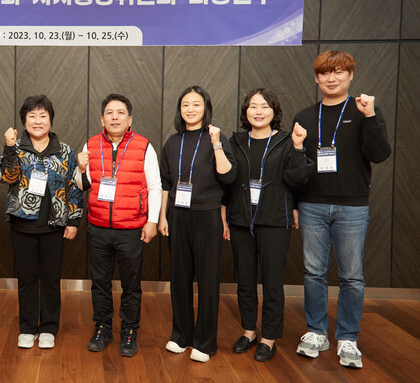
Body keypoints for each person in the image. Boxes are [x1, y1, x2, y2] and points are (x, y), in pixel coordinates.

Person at [293, 51, 391, 369]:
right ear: (316, 78)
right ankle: (316, 332)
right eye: (325, 73)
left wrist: (371, 115)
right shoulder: (305, 117)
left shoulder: (364, 111)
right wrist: (294, 205)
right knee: (313, 273)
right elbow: (296, 167)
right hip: (312, 205)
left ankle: (348, 338)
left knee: (352, 276)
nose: (331, 78)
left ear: (350, 75)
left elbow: (379, 154)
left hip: (352, 206)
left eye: (338, 72)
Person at [220, 88, 314, 362]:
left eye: (264, 106)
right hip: (241, 220)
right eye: (253, 106)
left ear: (274, 111)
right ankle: (249, 331)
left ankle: (269, 338)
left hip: (274, 220)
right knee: (245, 280)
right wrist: (224, 215)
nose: (258, 111)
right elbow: (227, 180)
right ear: (245, 111)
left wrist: (299, 147)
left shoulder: (286, 140)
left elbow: (297, 179)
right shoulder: (236, 141)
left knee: (272, 281)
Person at [74, 94, 161, 358]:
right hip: (98, 227)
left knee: (131, 285)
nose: (115, 117)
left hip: (131, 229)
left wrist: (152, 221)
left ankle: (129, 330)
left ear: (129, 119)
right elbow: (83, 186)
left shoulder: (144, 146)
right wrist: (80, 170)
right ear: (102, 119)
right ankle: (102, 328)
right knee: (99, 283)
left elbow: (155, 187)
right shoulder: (90, 145)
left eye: (120, 112)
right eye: (109, 113)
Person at [0, 95, 83, 350]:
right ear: (24, 121)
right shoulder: (16, 147)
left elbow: (74, 186)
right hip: (22, 225)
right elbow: (6, 176)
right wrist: (9, 148)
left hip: (54, 226)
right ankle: (27, 328)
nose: (37, 121)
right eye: (32, 116)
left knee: (50, 280)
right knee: (26, 279)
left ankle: (48, 327)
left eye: (42, 116)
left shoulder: (64, 150)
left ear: (50, 120)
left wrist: (73, 220)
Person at [158, 85, 236, 362]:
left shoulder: (216, 137)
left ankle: (205, 342)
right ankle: (181, 336)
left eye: (196, 104)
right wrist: (162, 216)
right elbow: (165, 182)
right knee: (179, 277)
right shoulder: (172, 142)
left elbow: (228, 176)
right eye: (185, 105)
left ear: (206, 108)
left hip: (207, 214)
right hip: (178, 214)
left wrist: (216, 144)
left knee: (207, 278)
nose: (190, 109)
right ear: (179, 110)